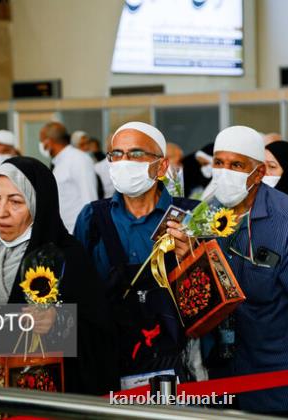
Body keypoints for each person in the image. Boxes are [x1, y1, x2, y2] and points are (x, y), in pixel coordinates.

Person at [170, 125, 288, 417]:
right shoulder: (205, 214)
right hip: (221, 380)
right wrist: (190, 261)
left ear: (259, 172)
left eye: (237, 165)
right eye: (219, 163)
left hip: (281, 384)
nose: (226, 172)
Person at [0, 156, 118, 395]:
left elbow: (99, 333)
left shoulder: (66, 256)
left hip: (35, 391)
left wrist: (58, 322)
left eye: (16, 202)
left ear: (39, 205)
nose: (1, 212)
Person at [74, 122, 198, 389]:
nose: (123, 162)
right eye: (116, 154)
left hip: (181, 364)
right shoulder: (93, 218)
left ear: (162, 166)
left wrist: (192, 258)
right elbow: (77, 295)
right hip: (111, 362)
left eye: (136, 154)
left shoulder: (191, 217)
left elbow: (218, 299)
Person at [38, 122, 98, 232]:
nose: (41, 144)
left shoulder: (79, 159)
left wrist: (88, 234)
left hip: (78, 234)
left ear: (49, 142)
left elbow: (90, 200)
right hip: (63, 233)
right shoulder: (59, 163)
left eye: (41, 141)